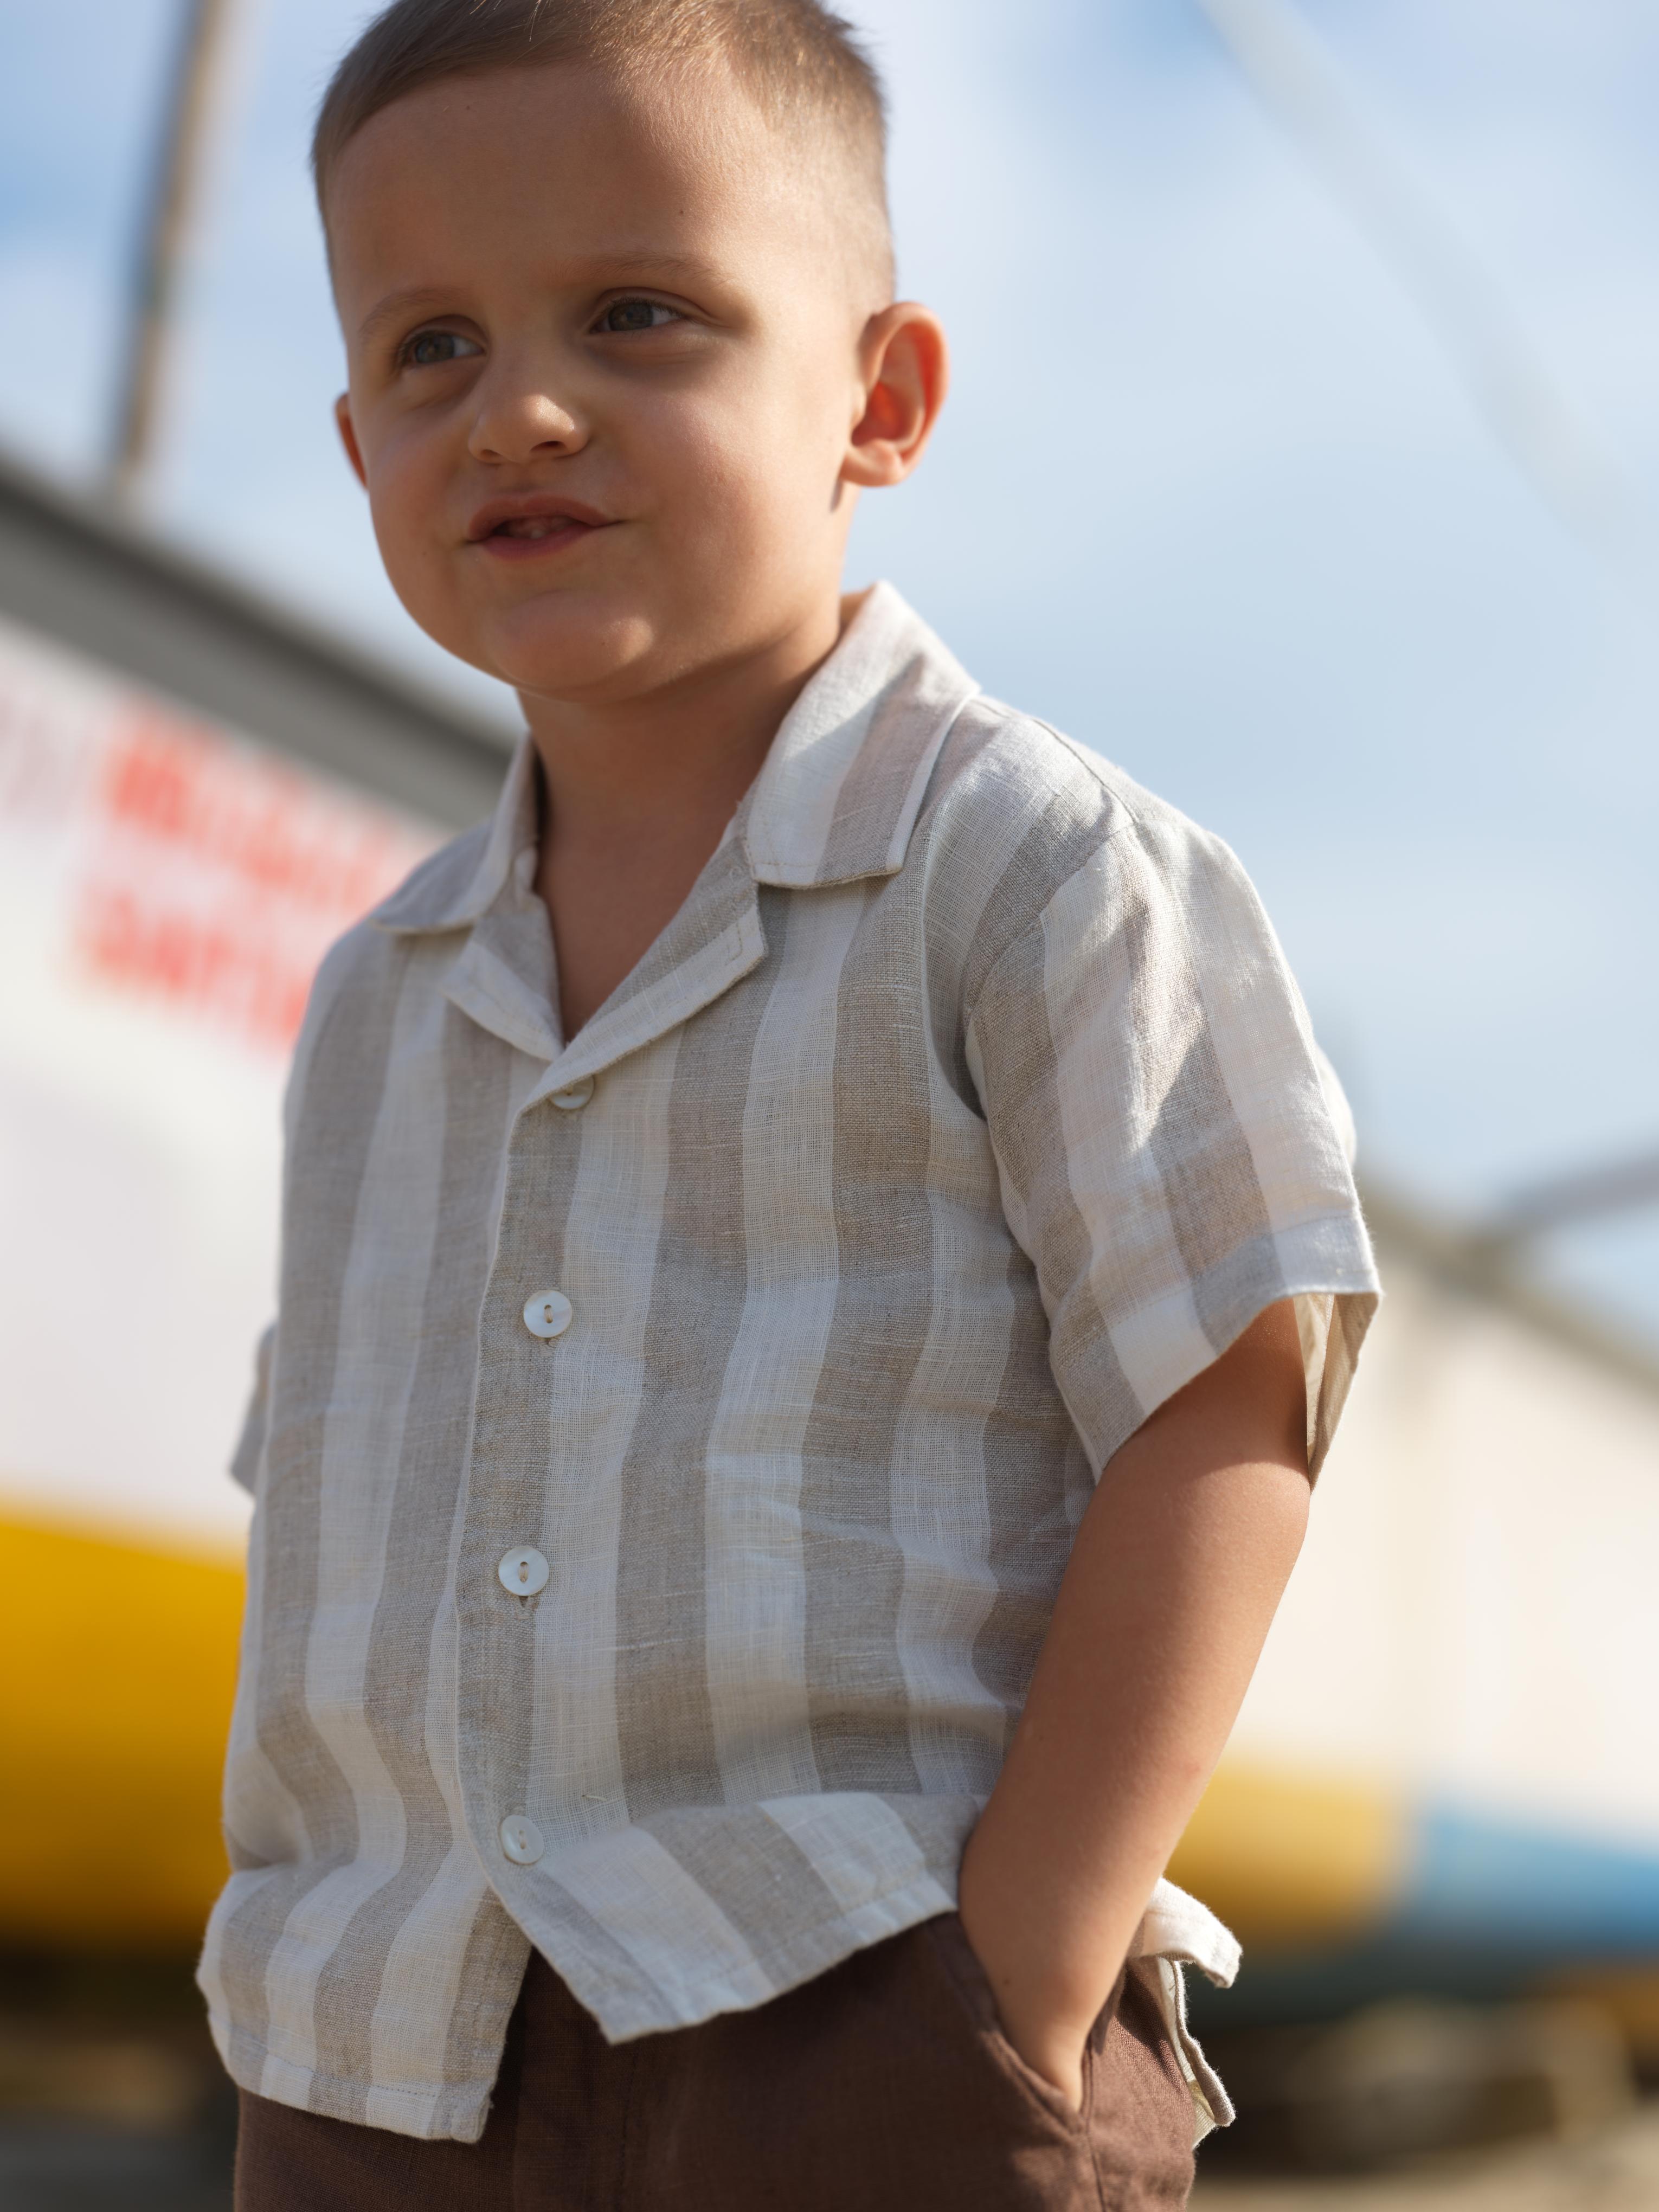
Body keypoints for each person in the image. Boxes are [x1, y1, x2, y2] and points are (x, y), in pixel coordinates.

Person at [200, 1, 1379, 2204]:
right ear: (357, 445)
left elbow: (1227, 1403)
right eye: (430, 347)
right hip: (378, 2058)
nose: (519, 406)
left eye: (636, 315)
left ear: (883, 396)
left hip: (860, 2019)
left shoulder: (1033, 867)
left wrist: (1015, 1979)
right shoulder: (374, 996)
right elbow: (346, 1530)